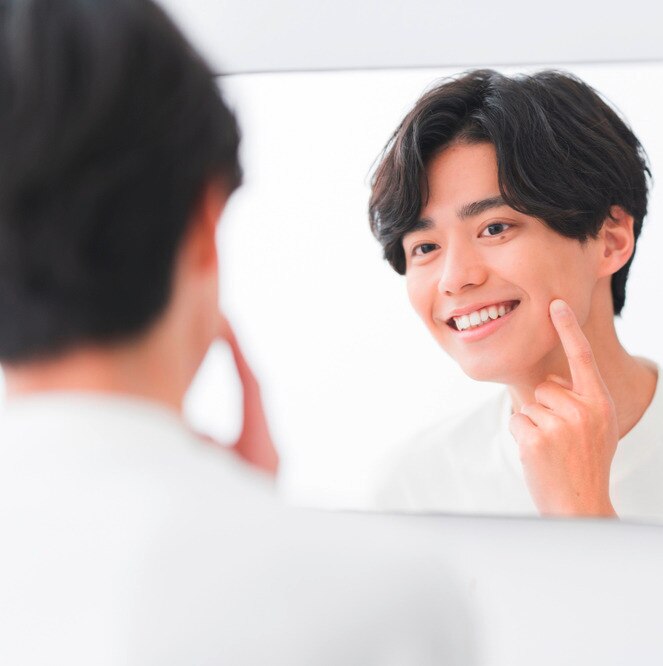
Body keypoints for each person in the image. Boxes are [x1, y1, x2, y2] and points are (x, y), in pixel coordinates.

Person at [0, 1, 473, 663]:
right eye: (422, 245)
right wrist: (255, 535)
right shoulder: (375, 596)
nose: (459, 276)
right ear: (204, 221)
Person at [368, 69, 663, 526]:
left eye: (495, 228)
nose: (454, 279)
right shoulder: (410, 488)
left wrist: (580, 511)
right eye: (425, 248)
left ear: (610, 239)